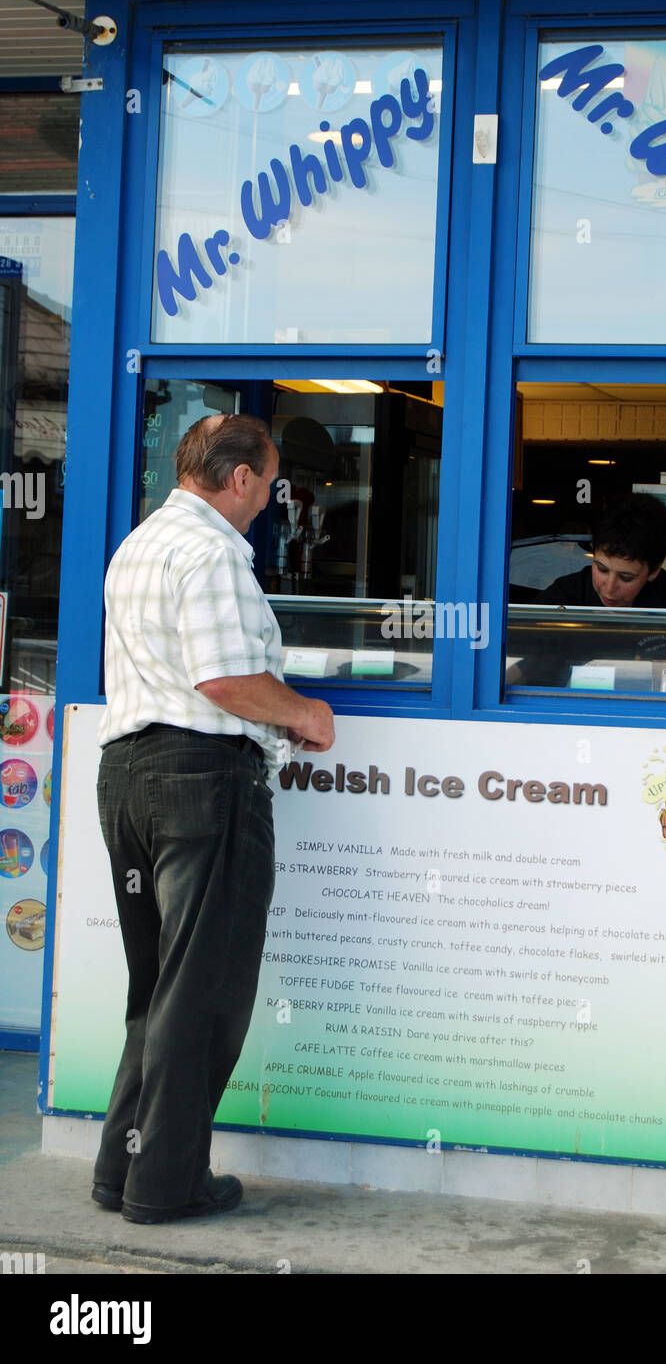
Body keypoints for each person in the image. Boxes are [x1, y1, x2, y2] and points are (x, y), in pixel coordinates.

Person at [91, 412, 334, 1225]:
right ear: (238, 479)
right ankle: (167, 1185)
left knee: (157, 988)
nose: (269, 502)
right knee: (205, 991)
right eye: (267, 486)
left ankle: (121, 1172)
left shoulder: (141, 543)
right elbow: (225, 680)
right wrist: (305, 714)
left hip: (127, 775)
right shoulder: (212, 554)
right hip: (202, 779)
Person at [511, 493, 666, 686]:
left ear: (654, 571)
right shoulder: (563, 597)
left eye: (626, 577)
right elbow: (514, 667)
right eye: (601, 569)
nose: (609, 588)